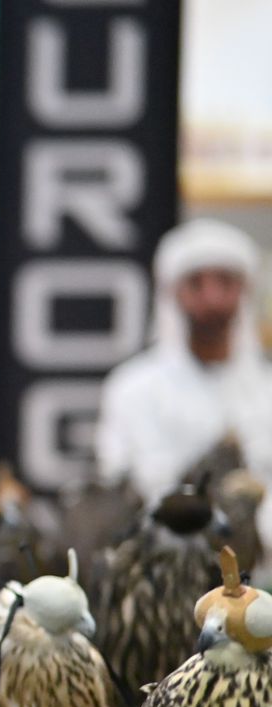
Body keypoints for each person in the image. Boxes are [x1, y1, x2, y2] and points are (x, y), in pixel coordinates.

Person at [96, 218, 272, 545]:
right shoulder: (132, 389)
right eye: (196, 283)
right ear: (173, 293)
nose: (212, 298)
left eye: (225, 282)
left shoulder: (266, 390)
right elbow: (122, 487)